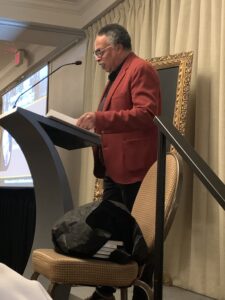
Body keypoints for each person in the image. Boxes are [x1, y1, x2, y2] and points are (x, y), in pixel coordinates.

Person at [77, 23, 161, 300]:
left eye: (100, 52)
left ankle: (141, 294)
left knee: (140, 236)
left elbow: (146, 113)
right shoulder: (117, 75)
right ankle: (105, 290)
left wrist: (99, 119)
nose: (98, 59)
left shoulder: (139, 69)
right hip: (114, 168)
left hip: (135, 168)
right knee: (111, 228)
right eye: (96, 54)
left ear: (118, 48)